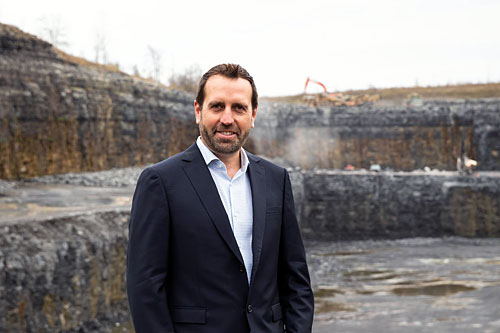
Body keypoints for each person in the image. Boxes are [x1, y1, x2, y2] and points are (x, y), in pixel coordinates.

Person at [126, 63, 314, 332]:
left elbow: (295, 277)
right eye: (217, 107)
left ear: (253, 115)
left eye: (239, 107)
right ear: (198, 111)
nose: (228, 118)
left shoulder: (276, 179)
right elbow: (144, 287)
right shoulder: (160, 182)